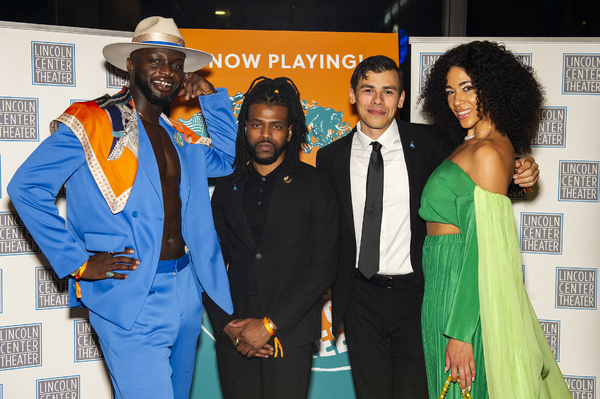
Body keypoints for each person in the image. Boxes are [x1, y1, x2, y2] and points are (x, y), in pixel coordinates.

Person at [8, 16, 236, 399]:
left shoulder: (178, 135)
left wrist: (211, 97)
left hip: (186, 291)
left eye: (176, 64)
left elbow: (227, 160)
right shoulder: (92, 122)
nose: (168, 72)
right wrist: (77, 262)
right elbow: (26, 187)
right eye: (156, 60)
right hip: (131, 295)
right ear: (131, 64)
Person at [316, 55, 539, 399]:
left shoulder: (432, 143)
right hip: (359, 298)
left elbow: (477, 180)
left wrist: (522, 173)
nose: (377, 101)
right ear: (351, 95)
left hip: (419, 295)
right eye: (368, 90)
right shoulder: (329, 157)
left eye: (388, 91)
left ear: (402, 99)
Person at [418, 40, 571, 399]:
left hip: (459, 287)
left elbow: (480, 248)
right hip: (443, 282)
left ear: (494, 89)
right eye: (451, 91)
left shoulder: (487, 151)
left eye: (468, 88)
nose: (458, 101)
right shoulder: (473, 143)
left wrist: (460, 333)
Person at [204, 76, 339, 399]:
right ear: (245, 128)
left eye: (276, 126)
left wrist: (268, 326)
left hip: (288, 334)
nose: (265, 135)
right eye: (256, 125)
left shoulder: (315, 184)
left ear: (290, 131)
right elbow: (208, 257)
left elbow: (324, 267)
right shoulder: (226, 185)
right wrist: (227, 325)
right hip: (234, 336)